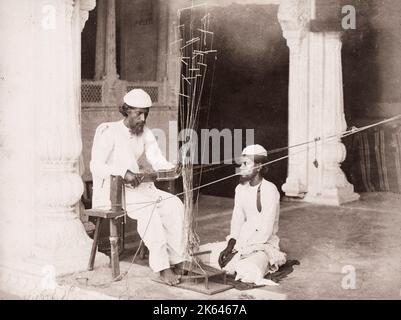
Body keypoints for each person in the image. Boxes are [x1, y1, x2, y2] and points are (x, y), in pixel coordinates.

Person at [90, 89, 184, 286]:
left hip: (137, 188)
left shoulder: (145, 132)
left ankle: (177, 261)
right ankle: (162, 268)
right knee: (149, 210)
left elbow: (157, 159)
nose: (143, 118)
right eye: (138, 113)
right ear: (126, 111)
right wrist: (123, 172)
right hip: (112, 191)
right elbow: (96, 165)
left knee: (174, 204)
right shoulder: (109, 131)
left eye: (146, 113)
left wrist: (173, 167)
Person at [202, 144, 286, 285]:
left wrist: (237, 251)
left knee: (249, 270)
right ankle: (234, 262)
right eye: (241, 164)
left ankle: (242, 264)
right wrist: (231, 244)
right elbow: (237, 220)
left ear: (259, 167)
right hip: (241, 242)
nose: (241, 168)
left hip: (262, 245)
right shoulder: (240, 189)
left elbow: (265, 232)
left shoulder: (270, 190)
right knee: (199, 253)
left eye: (245, 164)